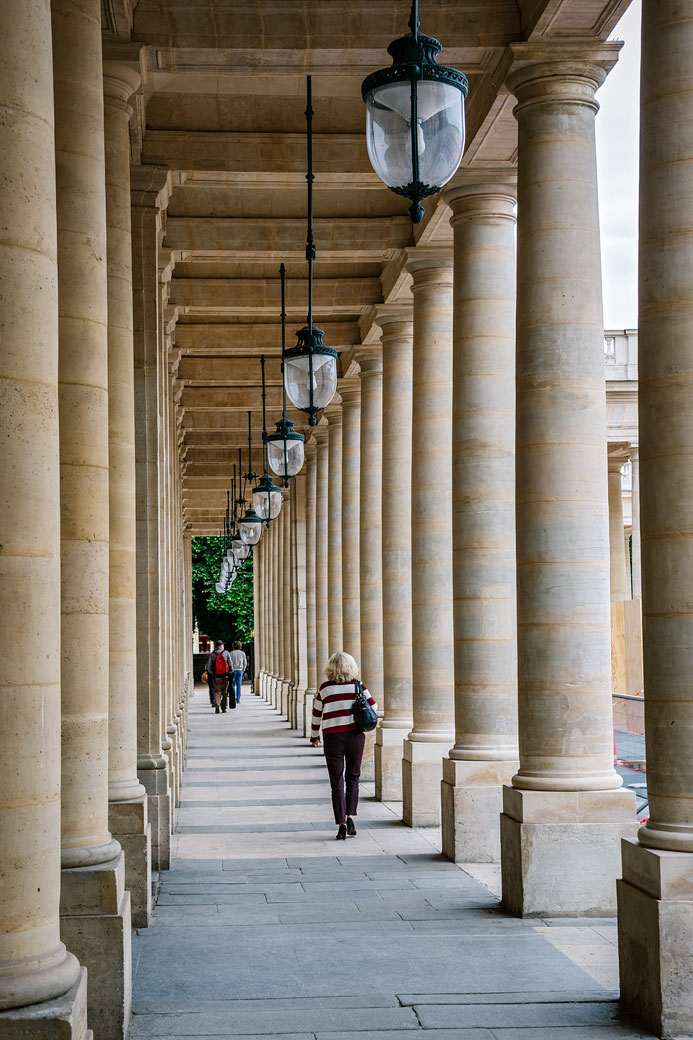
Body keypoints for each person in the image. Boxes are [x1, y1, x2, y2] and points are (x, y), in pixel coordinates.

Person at [310, 651, 377, 840]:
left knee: (336, 781)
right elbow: (374, 706)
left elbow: (316, 715)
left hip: (333, 737)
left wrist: (314, 736)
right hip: (355, 735)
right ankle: (351, 816)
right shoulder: (358, 686)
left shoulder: (324, 689)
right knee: (353, 777)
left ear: (331, 668)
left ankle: (341, 824)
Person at [206, 640, 234, 714]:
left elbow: (208, 667)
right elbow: (230, 664)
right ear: (221, 646)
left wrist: (213, 673)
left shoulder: (212, 654)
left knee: (217, 691)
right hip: (225, 675)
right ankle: (224, 707)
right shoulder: (226, 653)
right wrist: (230, 672)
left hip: (216, 676)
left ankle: (217, 704)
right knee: (224, 692)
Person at [229, 640, 247, 705]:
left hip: (233, 670)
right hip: (239, 670)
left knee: (232, 685)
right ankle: (238, 699)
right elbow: (245, 663)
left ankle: (233, 698)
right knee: (239, 685)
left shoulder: (230, 653)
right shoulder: (243, 653)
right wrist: (243, 670)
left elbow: (229, 663)